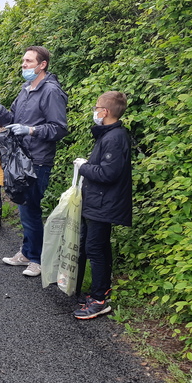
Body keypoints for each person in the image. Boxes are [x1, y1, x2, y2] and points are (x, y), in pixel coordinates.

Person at [0, 45, 68, 277]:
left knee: (30, 209)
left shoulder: (51, 91)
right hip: (20, 158)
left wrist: (31, 130)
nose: (24, 64)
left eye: (29, 61)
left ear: (43, 65)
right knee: (24, 208)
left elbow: (59, 129)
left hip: (37, 160)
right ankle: (27, 251)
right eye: (23, 61)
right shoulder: (25, 89)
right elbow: (12, 120)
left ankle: (37, 259)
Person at [72, 91, 132, 320]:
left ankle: (99, 300)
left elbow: (108, 173)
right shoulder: (109, 135)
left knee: (95, 249)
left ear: (105, 112)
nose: (95, 111)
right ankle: (101, 290)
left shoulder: (114, 138)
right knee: (98, 247)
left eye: (97, 107)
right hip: (100, 201)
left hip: (103, 202)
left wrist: (84, 166)